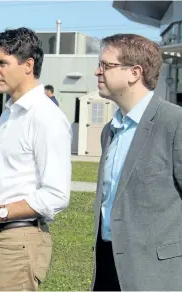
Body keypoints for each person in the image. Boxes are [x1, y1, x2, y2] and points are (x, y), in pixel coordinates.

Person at [0, 27, 72, 291]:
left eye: (1, 63)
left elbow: (56, 195)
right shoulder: (10, 112)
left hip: (17, 242)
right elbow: (12, 178)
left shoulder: (46, 116)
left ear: (27, 65)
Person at [91, 34, 182, 291]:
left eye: (106, 65)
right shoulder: (109, 130)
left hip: (158, 275)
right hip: (109, 267)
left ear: (134, 72)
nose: (97, 71)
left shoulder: (174, 123)